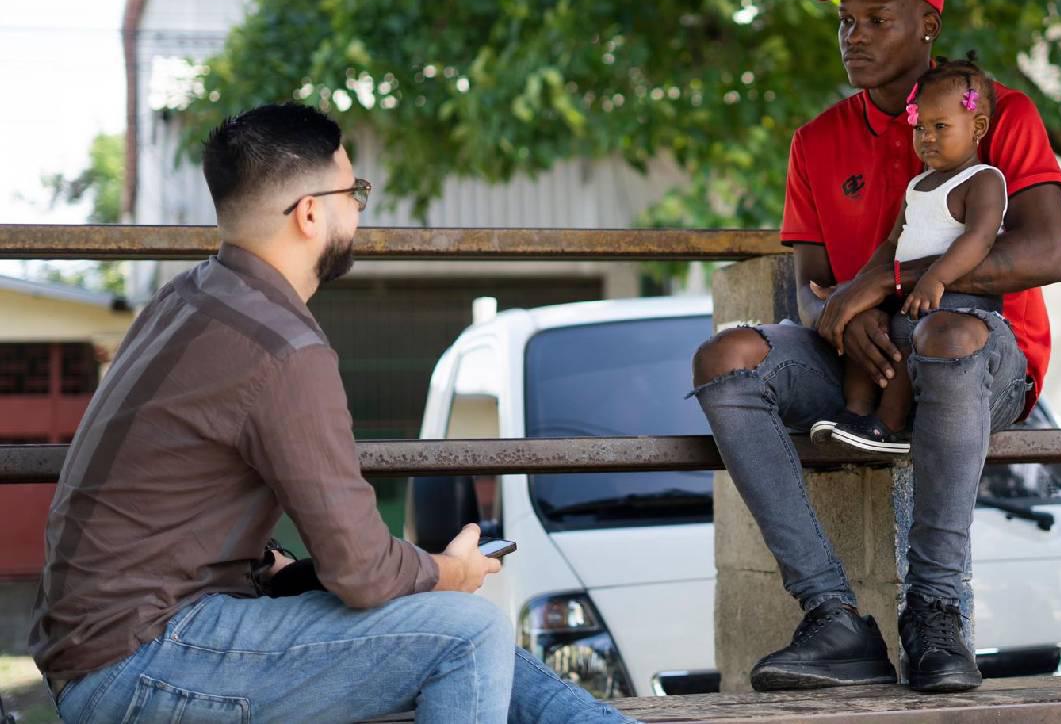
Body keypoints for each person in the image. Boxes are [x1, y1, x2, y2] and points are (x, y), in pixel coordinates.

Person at [30, 104, 630, 723]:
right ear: (311, 212)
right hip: (141, 663)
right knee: (466, 631)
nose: (360, 210)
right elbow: (363, 570)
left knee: (453, 631)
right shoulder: (283, 347)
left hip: (109, 645)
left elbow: (170, 482)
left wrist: (267, 563)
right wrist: (449, 570)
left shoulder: (184, 299)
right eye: (356, 192)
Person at [691, 0, 1061, 694]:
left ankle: (935, 614)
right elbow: (811, 289)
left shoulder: (997, 112)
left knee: (949, 333)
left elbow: (1045, 253)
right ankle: (833, 618)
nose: (853, 35)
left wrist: (886, 287)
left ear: (927, 25)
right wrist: (838, 314)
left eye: (876, 19)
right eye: (846, 22)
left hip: (979, 355)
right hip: (863, 363)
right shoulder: (817, 141)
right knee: (725, 362)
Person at [809, 54, 1008, 454]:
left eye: (940, 127)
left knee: (905, 336)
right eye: (920, 128)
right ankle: (856, 415)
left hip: (958, 301)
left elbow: (980, 240)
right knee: (871, 333)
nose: (927, 137)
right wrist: (856, 287)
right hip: (912, 296)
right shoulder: (918, 184)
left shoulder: (983, 180)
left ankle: (890, 426)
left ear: (977, 127)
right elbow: (891, 244)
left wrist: (936, 277)